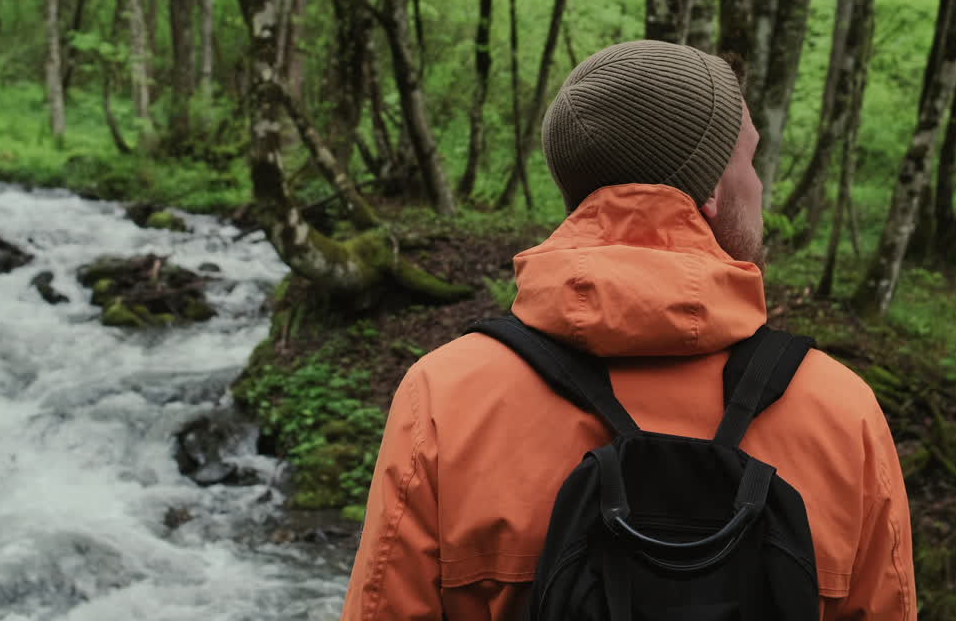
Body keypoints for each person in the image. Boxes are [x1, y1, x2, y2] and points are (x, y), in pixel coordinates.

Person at [340, 40, 917, 620]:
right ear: (711, 190)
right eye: (750, 160)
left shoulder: (447, 397)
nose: (760, 187)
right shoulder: (841, 412)